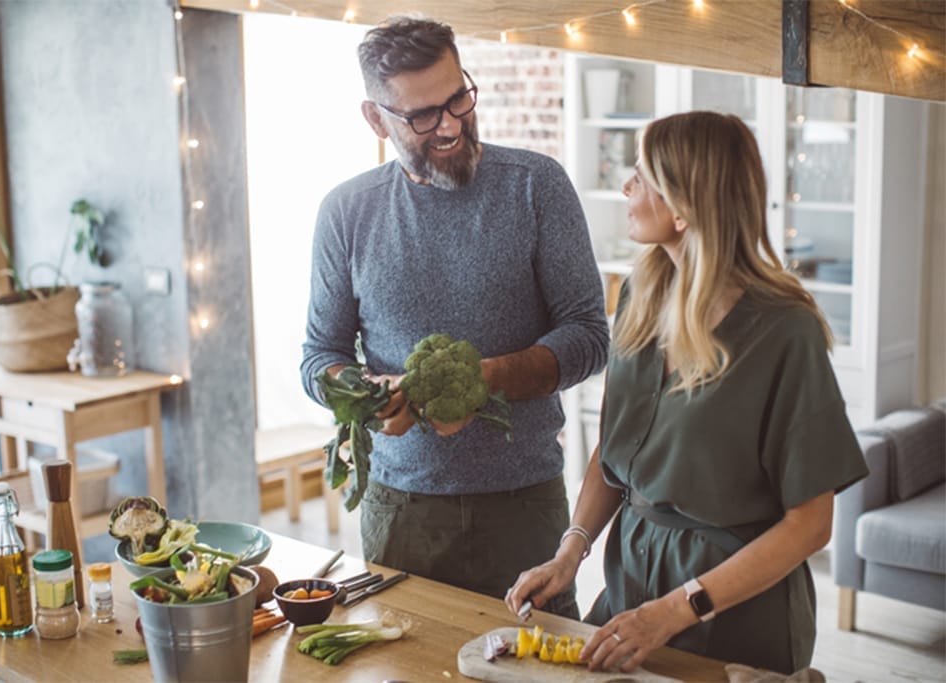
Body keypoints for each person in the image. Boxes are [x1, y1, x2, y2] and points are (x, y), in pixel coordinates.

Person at [504, 111, 869, 673]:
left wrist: (678, 609)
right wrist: (570, 551)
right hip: (630, 592)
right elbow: (613, 452)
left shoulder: (783, 330)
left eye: (642, 175)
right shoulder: (637, 300)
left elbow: (811, 524)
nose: (626, 186)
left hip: (740, 614)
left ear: (685, 205)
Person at [299, 16, 610, 618]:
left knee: (540, 665)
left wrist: (483, 379)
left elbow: (589, 338)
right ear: (375, 118)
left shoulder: (537, 186)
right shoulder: (347, 213)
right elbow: (319, 357)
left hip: (526, 504)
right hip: (402, 510)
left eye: (458, 99)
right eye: (422, 115)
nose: (449, 125)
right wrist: (366, 395)